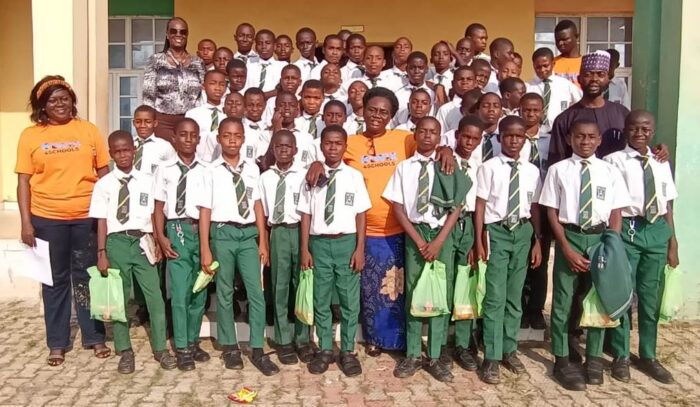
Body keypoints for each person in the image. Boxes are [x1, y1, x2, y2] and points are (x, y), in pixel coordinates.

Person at [305, 87, 455, 358]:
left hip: (400, 229)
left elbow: (427, 143)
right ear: (362, 109)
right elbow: (331, 155)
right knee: (371, 290)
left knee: (396, 288)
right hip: (364, 232)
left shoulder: (403, 139)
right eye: (372, 109)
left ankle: (398, 342)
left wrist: (446, 150)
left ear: (391, 116)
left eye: (383, 112)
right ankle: (373, 338)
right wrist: (316, 162)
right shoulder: (350, 141)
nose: (377, 115)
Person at [16, 75, 111, 367]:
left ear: (73, 101)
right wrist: (26, 223)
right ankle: (57, 342)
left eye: (65, 98)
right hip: (47, 220)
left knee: (86, 279)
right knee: (55, 282)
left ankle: (94, 336)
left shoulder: (89, 131)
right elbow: (23, 182)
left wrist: (106, 217)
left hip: (86, 219)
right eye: (52, 100)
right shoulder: (30, 136)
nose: (60, 104)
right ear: (42, 107)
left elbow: (104, 175)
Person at [539, 119, 631, 391]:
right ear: (570, 139)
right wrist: (565, 246)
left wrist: (611, 244)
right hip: (571, 236)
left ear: (599, 140)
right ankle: (561, 357)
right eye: (580, 137)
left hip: (600, 238)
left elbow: (616, 211)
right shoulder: (558, 170)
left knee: (597, 300)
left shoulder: (610, 171)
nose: (585, 142)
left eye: (591, 137)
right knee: (563, 301)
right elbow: (551, 212)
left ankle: (593, 357)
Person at [384, 117, 465, 383]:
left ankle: (435, 354)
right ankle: (413, 354)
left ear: (440, 136)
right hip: (415, 234)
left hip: (442, 235)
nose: (428, 136)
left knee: (440, 294)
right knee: (414, 293)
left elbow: (457, 207)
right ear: (415, 134)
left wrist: (440, 240)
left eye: (433, 132)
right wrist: (419, 241)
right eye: (423, 131)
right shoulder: (404, 168)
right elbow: (397, 207)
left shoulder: (448, 165)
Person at [90, 130, 176, 374]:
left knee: (155, 297)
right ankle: (124, 349)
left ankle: (160, 348)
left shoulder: (148, 180)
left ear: (134, 150)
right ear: (111, 154)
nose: (123, 155)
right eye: (117, 151)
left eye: (126, 150)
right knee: (119, 299)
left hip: (142, 241)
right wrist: (101, 252)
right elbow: (102, 221)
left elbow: (153, 213)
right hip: (116, 242)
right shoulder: (104, 184)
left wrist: (158, 241)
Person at [199, 117, 279, 376]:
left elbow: (257, 205)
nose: (232, 140)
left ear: (243, 138)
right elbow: (205, 211)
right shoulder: (210, 171)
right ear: (219, 138)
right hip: (223, 233)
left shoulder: (252, 169)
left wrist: (263, 241)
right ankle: (230, 347)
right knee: (224, 292)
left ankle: (257, 348)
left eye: (237, 135)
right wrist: (205, 248)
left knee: (256, 292)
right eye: (227, 135)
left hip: (248, 236)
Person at [603, 110, 678, 384]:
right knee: (624, 293)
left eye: (645, 129)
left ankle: (648, 354)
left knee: (650, 297)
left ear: (653, 131)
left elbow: (667, 203)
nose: (639, 133)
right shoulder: (613, 161)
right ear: (626, 130)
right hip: (629, 229)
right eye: (634, 128)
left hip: (657, 229)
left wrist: (673, 241)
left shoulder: (660, 162)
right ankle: (621, 354)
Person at [474, 115, 542, 385]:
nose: (514, 140)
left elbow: (535, 207)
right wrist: (479, 239)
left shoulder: (533, 171)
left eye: (519, 136)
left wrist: (537, 239)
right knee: (495, 296)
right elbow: (480, 206)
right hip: (497, 232)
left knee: (514, 297)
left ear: (525, 139)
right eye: (509, 136)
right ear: (500, 137)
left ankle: (508, 349)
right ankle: (490, 356)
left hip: (523, 232)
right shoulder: (489, 167)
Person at [298, 125, 371, 376]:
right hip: (319, 244)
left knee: (349, 300)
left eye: (338, 143)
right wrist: (305, 248)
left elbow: (361, 214)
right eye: (328, 143)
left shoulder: (354, 176)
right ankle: (325, 348)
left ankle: (348, 350)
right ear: (321, 145)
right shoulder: (311, 177)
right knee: (321, 298)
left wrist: (360, 248)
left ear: (345, 145)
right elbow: (306, 214)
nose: (333, 147)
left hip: (346, 242)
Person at [153, 119, 210, 371]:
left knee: (200, 289)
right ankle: (182, 347)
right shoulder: (164, 169)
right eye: (183, 135)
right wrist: (161, 237)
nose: (188, 139)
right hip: (177, 228)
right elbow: (157, 207)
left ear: (199, 139)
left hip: (203, 230)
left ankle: (194, 340)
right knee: (180, 291)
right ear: (174, 138)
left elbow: (208, 206)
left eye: (193, 135)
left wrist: (207, 244)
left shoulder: (207, 169)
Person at [258, 130, 314, 365]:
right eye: (278, 146)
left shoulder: (304, 176)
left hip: (300, 231)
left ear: (295, 150)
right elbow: (260, 209)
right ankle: (283, 340)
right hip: (278, 232)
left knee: (301, 285)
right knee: (279, 287)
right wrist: (264, 240)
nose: (283, 150)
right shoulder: (265, 178)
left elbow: (307, 211)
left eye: (287, 146)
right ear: (273, 150)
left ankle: (302, 338)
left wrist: (306, 247)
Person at [548, 51, 630, 166]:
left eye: (600, 74)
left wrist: (659, 151)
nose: (594, 79)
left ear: (608, 78)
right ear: (579, 78)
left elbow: (635, 149)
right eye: (588, 74)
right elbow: (557, 163)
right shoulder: (564, 119)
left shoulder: (622, 114)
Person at [450, 115, 484, 372]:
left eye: (475, 138)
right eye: (466, 136)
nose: (469, 142)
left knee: (465, 284)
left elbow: (481, 205)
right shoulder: (445, 160)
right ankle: (439, 343)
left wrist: (477, 241)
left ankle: (463, 342)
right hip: (445, 225)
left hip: (470, 225)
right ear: (456, 135)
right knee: (444, 281)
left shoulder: (481, 166)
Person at [519, 93, 553, 330]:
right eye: (526, 110)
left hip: (545, 204)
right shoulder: (512, 138)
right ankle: (520, 307)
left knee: (540, 263)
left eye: (535, 110)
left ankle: (536, 309)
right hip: (522, 204)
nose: (531, 115)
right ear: (519, 111)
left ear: (542, 111)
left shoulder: (550, 139)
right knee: (521, 260)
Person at [142, 17, 205, 141]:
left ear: (187, 35)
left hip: (190, 122)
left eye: (183, 32)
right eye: (173, 31)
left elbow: (203, 94)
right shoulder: (156, 60)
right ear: (167, 34)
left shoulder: (198, 63)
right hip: (163, 122)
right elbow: (148, 96)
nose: (178, 35)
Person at [527, 47, 582, 127]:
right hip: (535, 132)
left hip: (560, 131)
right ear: (533, 66)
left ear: (553, 64)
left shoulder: (566, 85)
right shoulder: (528, 87)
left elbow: (581, 104)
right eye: (538, 67)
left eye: (545, 66)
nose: (542, 70)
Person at [185, 70, 227, 163]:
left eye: (222, 84)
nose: (217, 88)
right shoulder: (193, 114)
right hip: (199, 162)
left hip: (223, 163)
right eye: (213, 83)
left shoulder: (228, 115)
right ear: (203, 86)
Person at [394, 52, 436, 123]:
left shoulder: (433, 93)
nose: (416, 71)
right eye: (412, 68)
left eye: (420, 68)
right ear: (406, 69)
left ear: (426, 69)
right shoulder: (398, 94)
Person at [436, 66, 478, 134]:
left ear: (475, 83)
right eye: (460, 79)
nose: (465, 82)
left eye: (469, 79)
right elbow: (441, 135)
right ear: (453, 84)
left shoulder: (482, 103)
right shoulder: (445, 109)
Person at [247, 30, 285, 95]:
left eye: (267, 43)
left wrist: (266, 95)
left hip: (273, 103)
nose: (264, 47)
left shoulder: (282, 66)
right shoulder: (248, 64)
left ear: (275, 46)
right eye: (259, 43)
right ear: (255, 47)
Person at [553, 20, 582, 86]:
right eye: (557, 40)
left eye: (564, 39)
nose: (560, 43)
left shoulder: (586, 64)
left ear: (576, 37)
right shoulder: (550, 64)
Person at [427, 41, 453, 106]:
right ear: (431, 60)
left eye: (445, 54)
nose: (441, 57)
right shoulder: (428, 82)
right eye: (436, 54)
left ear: (451, 58)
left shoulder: (455, 79)